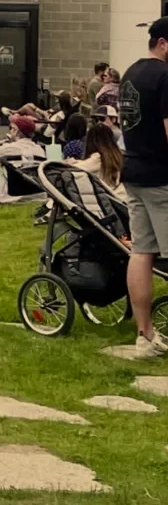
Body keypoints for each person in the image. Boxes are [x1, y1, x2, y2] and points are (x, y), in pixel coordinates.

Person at [119, 18, 168, 357]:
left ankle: (145, 334)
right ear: (163, 43)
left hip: (133, 171)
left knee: (141, 252)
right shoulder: (165, 77)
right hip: (161, 177)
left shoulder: (130, 73)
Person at [73, 121, 125, 196]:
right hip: (118, 195)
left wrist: (70, 162)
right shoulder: (116, 155)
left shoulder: (98, 157)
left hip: (106, 198)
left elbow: (79, 167)